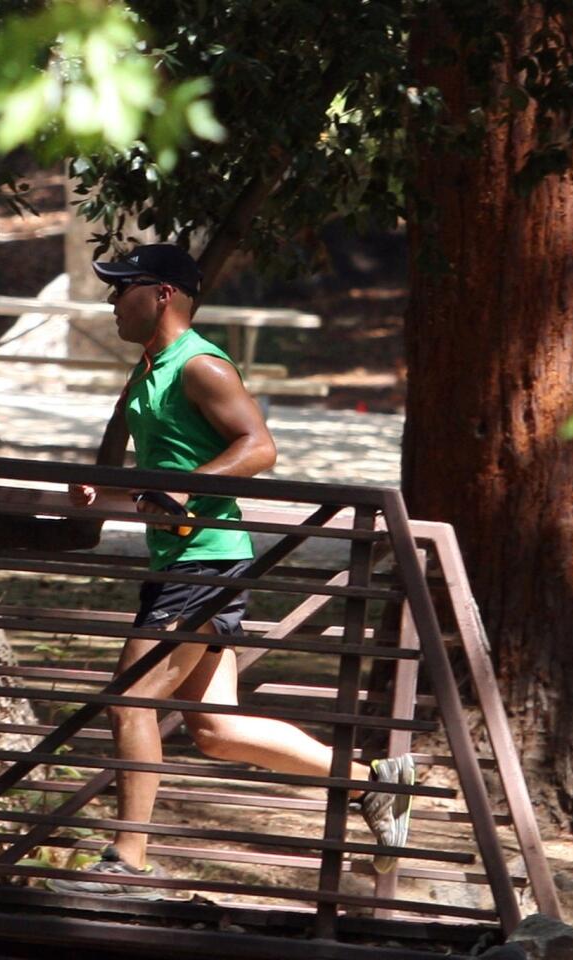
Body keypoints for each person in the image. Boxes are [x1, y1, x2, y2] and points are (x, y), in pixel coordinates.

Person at [48, 243, 413, 896]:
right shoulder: (149, 371)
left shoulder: (202, 365)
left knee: (130, 704)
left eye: (121, 287)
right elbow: (164, 479)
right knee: (214, 730)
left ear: (161, 293)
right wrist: (102, 495)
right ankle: (372, 783)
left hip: (205, 561)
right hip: (187, 561)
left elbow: (258, 447)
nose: (110, 301)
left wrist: (189, 485)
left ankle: (127, 863)